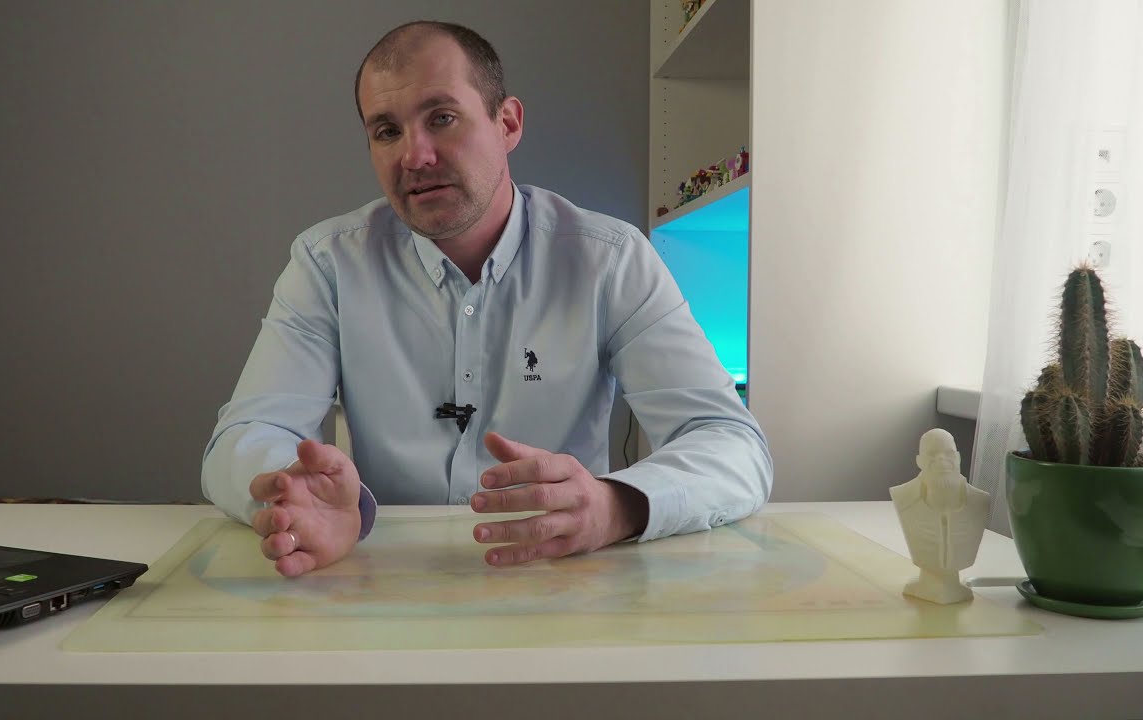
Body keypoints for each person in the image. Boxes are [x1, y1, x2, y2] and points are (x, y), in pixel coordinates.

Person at [201, 20, 773, 577]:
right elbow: (244, 436)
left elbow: (731, 444)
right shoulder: (328, 263)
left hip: (563, 584)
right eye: (387, 131)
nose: (414, 156)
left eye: (442, 118)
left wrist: (615, 506)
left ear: (508, 123)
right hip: (388, 584)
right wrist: (296, 492)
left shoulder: (610, 259)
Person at [890, 429, 991, 603]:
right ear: (919, 461)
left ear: (958, 458)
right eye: (932, 454)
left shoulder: (979, 501)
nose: (941, 459)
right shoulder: (903, 497)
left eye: (949, 453)